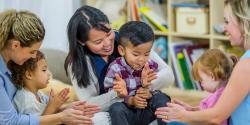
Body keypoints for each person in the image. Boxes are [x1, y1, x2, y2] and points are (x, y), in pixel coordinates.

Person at [65, 5, 174, 125]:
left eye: (108, 34)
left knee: (166, 104)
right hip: (115, 110)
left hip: (144, 103)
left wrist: (145, 86)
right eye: (98, 42)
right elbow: (88, 105)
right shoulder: (77, 63)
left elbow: (168, 75)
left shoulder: (127, 38)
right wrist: (118, 94)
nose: (107, 43)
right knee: (93, 120)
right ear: (82, 42)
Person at [155, 0, 250, 125]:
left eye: (227, 21)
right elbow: (224, 108)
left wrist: (184, 116)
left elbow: (216, 116)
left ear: (243, 22)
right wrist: (192, 111)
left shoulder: (245, 65)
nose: (224, 28)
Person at [0, 9, 95, 125]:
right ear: (15, 45)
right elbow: (10, 121)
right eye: (32, 52)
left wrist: (64, 109)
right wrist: (60, 117)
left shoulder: (14, 64)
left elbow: (39, 109)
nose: (33, 56)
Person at [104, 21, 171, 125]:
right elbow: (111, 96)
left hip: (146, 111)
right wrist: (130, 100)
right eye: (136, 54)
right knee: (116, 108)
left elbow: (155, 89)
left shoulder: (150, 65)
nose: (141, 59)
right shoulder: (115, 68)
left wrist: (148, 90)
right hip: (129, 113)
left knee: (162, 97)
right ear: (122, 50)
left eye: (146, 54)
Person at [167, 49, 237, 125]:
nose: (201, 84)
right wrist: (191, 110)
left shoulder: (218, 97)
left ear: (212, 76)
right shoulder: (221, 93)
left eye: (201, 80)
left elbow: (211, 119)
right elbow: (206, 111)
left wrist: (185, 116)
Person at [9, 50, 69, 115]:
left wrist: (65, 107)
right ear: (29, 75)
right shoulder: (26, 99)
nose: (49, 74)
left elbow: (52, 111)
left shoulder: (39, 94)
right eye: (44, 70)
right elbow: (40, 122)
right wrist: (52, 107)